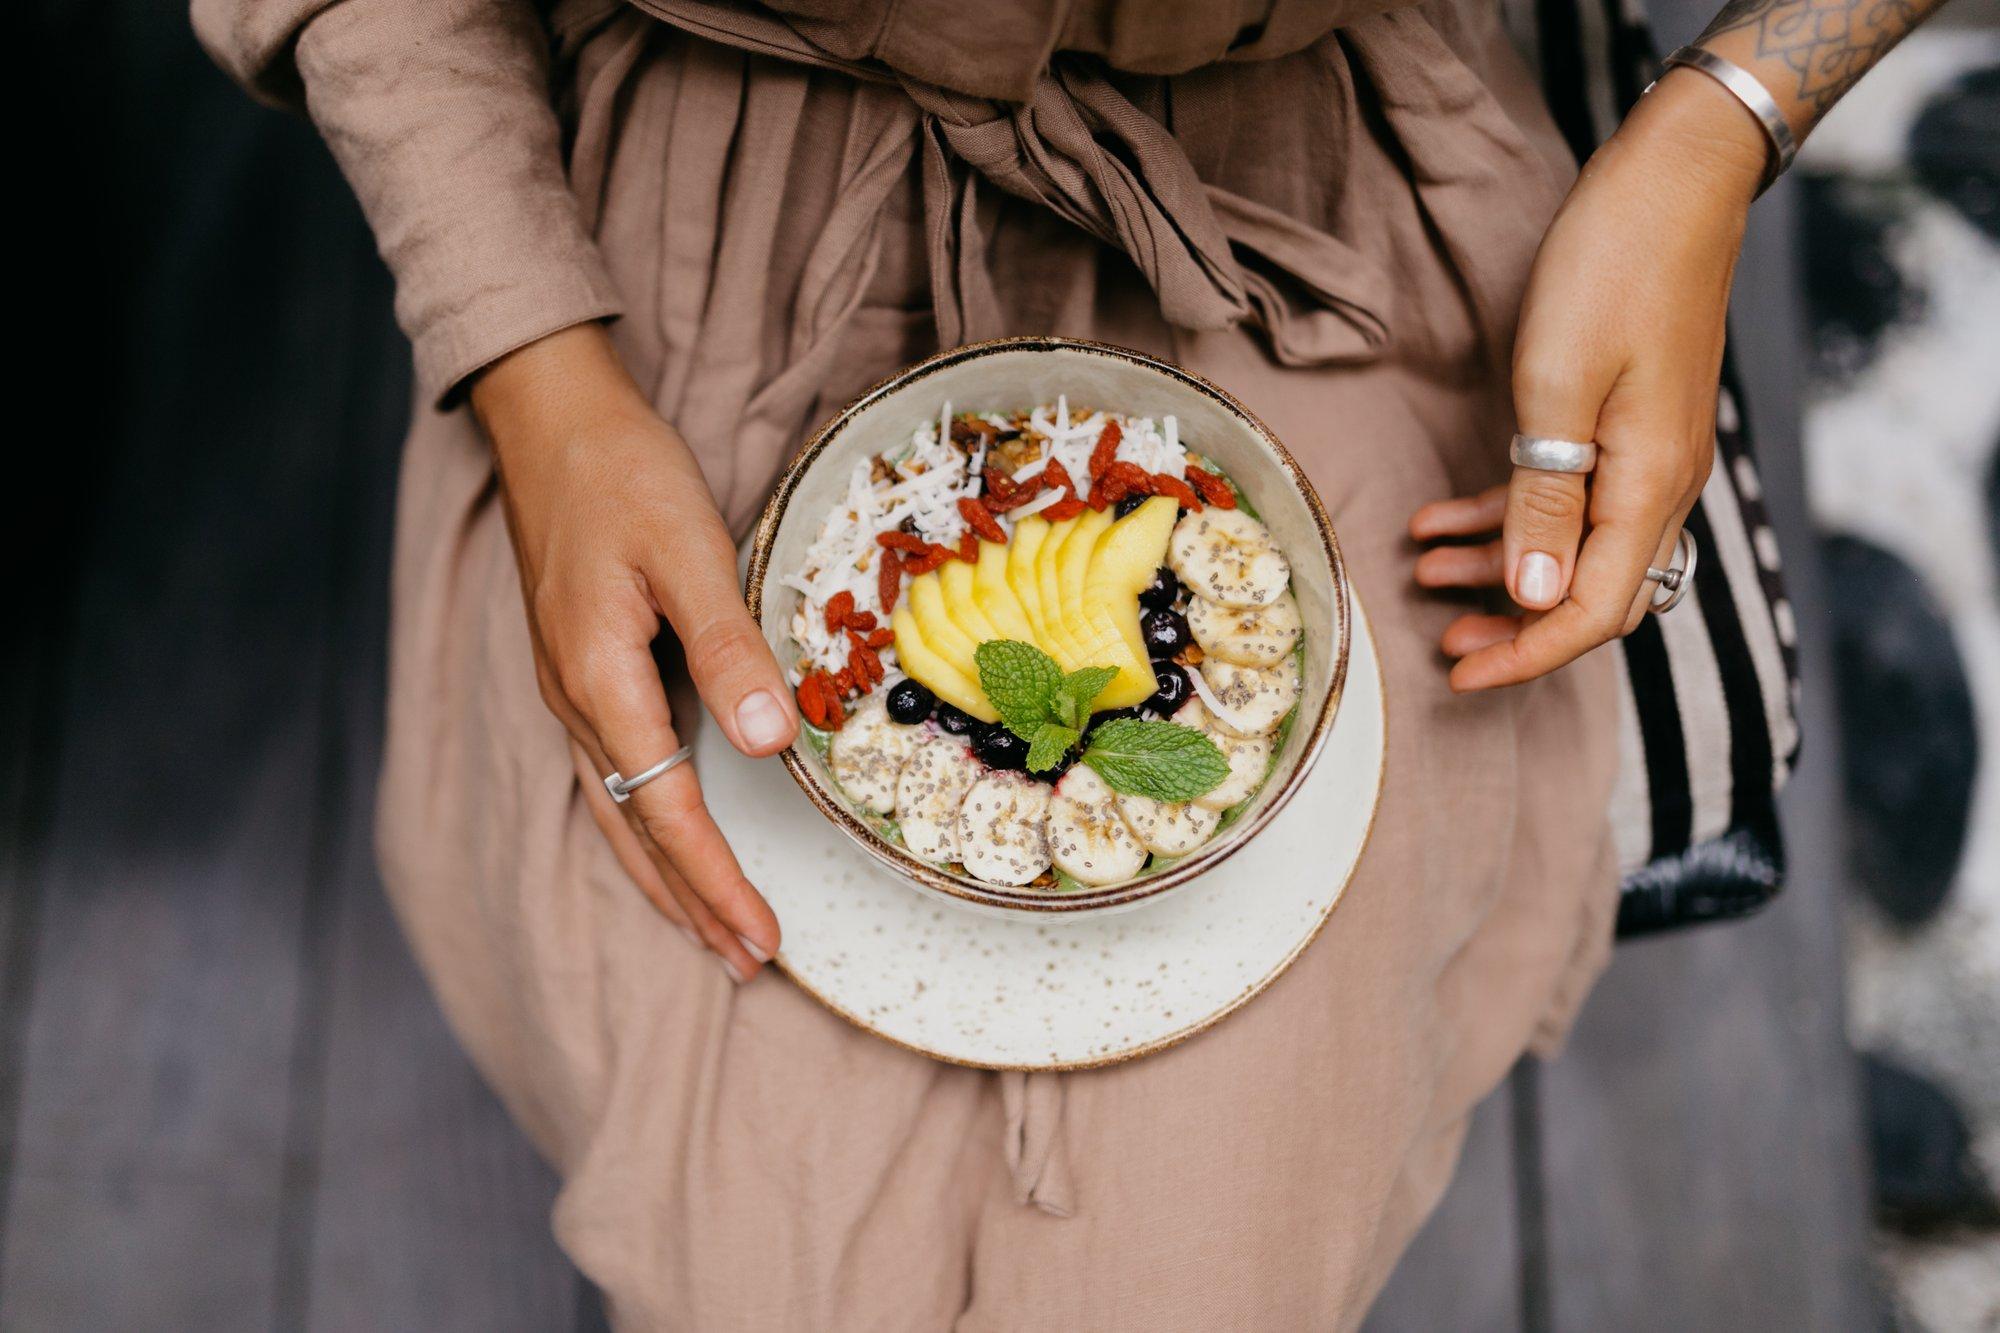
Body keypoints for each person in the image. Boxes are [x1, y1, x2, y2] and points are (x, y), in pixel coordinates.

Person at [195, 0, 1942, 1325]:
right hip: (680, 257)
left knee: (1224, 1234)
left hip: (1329, 195)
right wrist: (529, 354)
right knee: (754, 1228)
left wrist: (1725, 117)